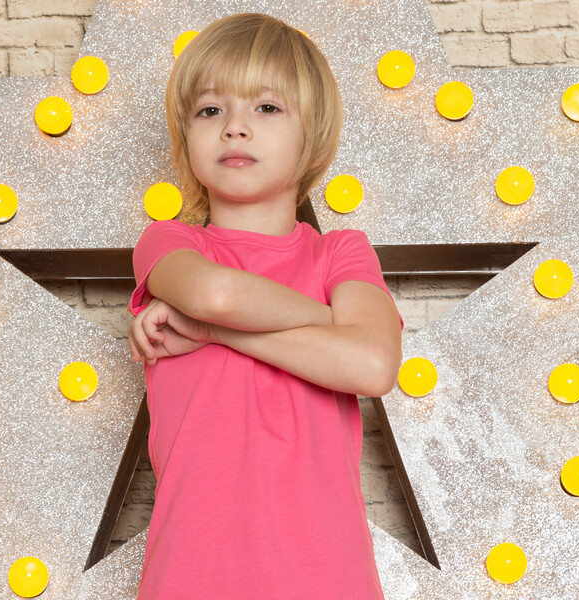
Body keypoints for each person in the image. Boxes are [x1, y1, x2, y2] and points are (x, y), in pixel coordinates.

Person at [126, 12, 403, 600]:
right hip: (192, 577)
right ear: (187, 139)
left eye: (267, 108)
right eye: (210, 110)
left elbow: (373, 366)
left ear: (313, 139)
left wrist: (214, 333)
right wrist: (335, 325)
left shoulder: (341, 252)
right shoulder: (170, 244)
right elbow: (216, 294)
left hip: (328, 577)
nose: (234, 128)